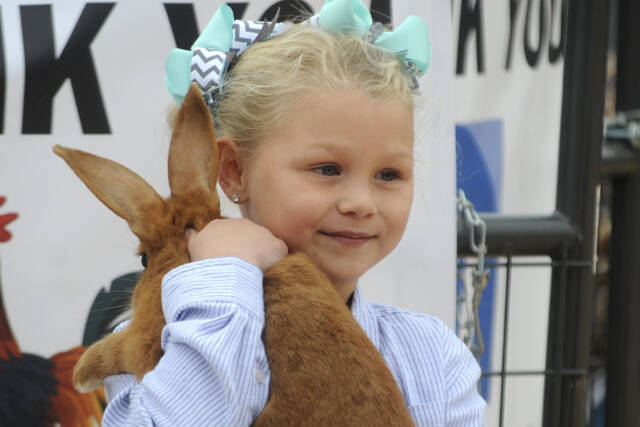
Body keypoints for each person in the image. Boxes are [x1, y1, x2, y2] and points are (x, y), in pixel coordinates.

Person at [103, 1, 486, 425]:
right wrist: (223, 283)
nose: (360, 202)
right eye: (327, 169)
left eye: (389, 174)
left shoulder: (432, 356)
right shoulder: (155, 341)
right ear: (233, 170)